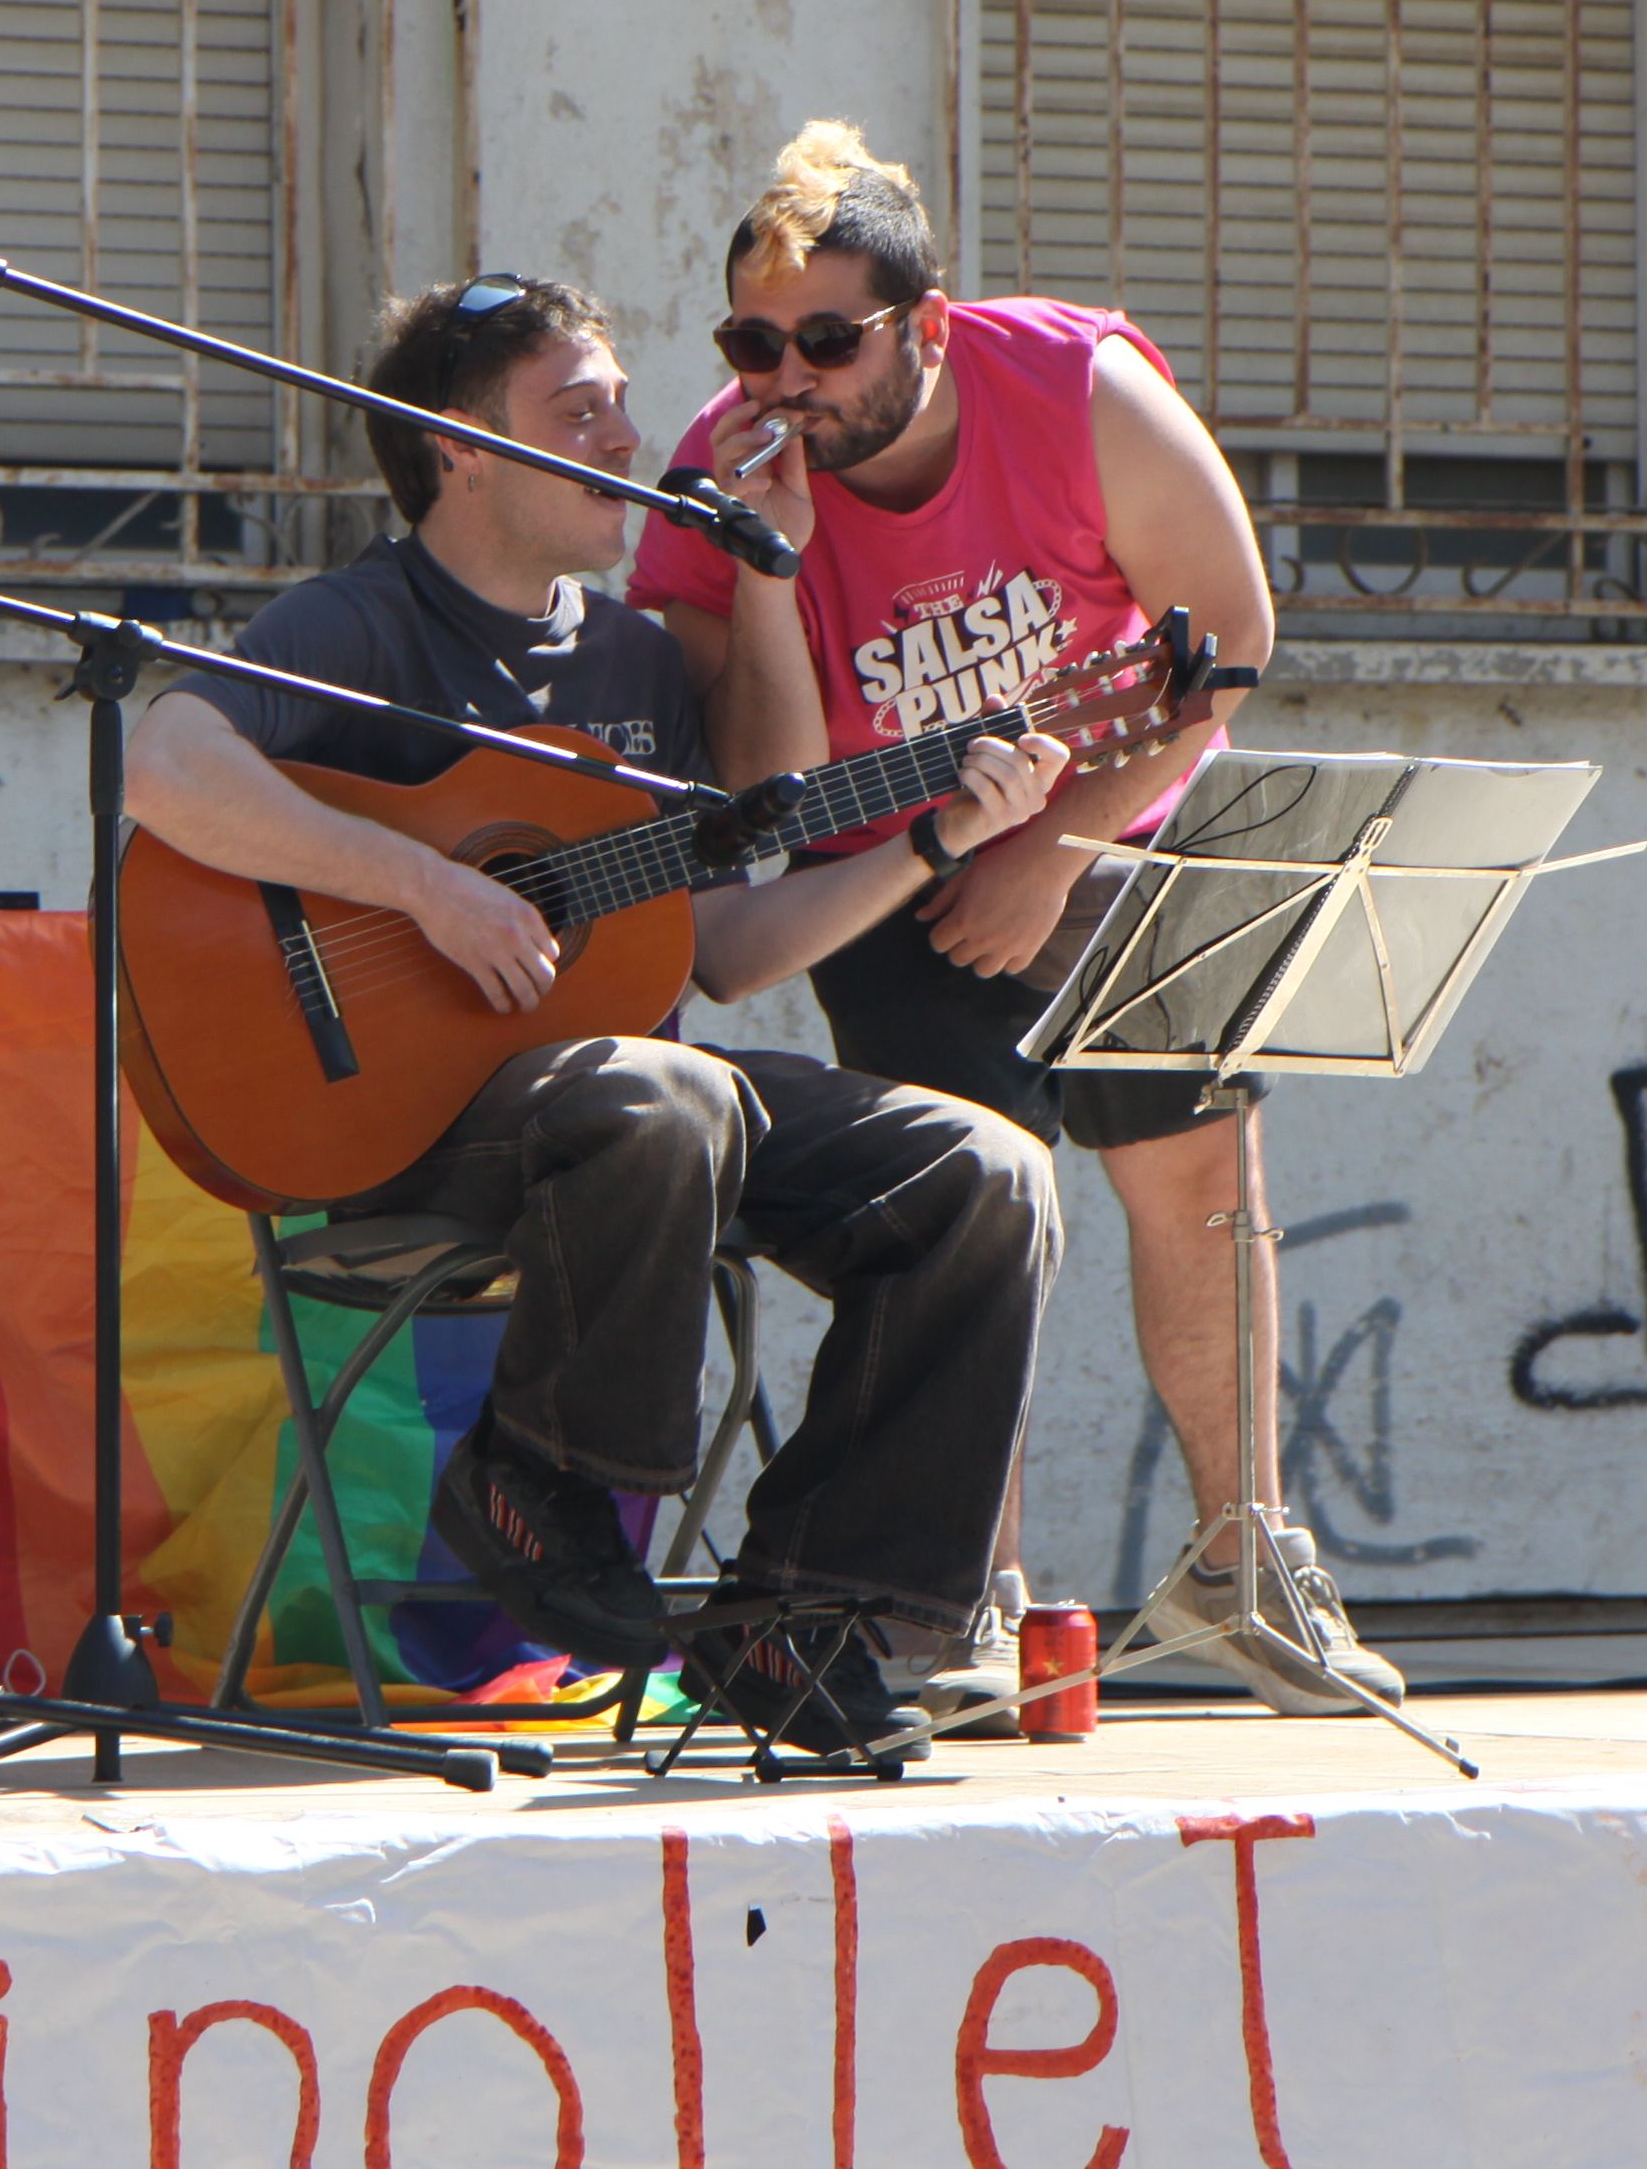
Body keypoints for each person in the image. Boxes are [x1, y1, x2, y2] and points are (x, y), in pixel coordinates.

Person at [122, 272, 1073, 1759]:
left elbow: (730, 948)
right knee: (663, 1097)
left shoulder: (634, 663)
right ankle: (538, 1485)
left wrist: (928, 839)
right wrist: (424, 890)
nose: (629, 438)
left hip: (631, 1130)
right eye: (581, 411)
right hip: (410, 1133)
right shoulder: (359, 623)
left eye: (626, 403)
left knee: (986, 1174)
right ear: (462, 447)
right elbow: (166, 763)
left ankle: (808, 1610)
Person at [627, 121, 1409, 1723]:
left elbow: (1233, 642)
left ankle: (1243, 1568)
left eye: (829, 343)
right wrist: (766, 564)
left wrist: (1049, 848)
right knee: (968, 1196)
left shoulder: (1072, 389)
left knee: (1199, 1165)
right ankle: (962, 1596)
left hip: (1114, 826)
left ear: (924, 326)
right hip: (889, 856)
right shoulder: (725, 473)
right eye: (753, 343)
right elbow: (760, 792)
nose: (789, 379)